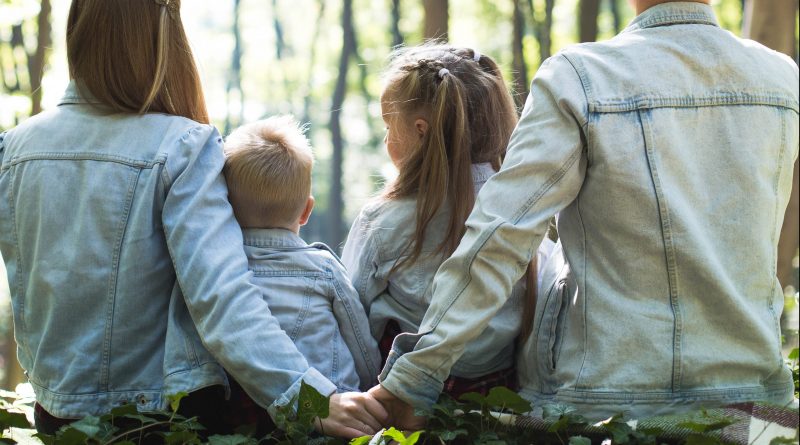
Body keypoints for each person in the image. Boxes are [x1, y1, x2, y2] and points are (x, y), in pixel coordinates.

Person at [369, 0, 799, 427]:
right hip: (757, 404)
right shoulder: (783, 79)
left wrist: (413, 378)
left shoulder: (582, 79)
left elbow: (500, 237)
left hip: (607, 406)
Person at [0, 0, 386, 438]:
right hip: (156, 422)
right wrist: (309, 399)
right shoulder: (182, 146)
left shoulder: (13, 149)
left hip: (54, 418)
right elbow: (222, 299)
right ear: (162, 37)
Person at [341, 45, 555, 399]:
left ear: (420, 131)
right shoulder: (523, 212)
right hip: (497, 397)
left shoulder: (384, 220)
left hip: (400, 400)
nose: (385, 139)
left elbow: (351, 314)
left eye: (388, 126)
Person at [221, 115, 380, 394]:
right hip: (332, 407)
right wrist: (370, 386)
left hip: (251, 412)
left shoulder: (218, 271)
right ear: (306, 211)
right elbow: (360, 343)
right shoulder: (323, 269)